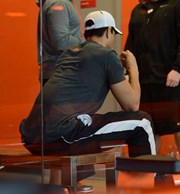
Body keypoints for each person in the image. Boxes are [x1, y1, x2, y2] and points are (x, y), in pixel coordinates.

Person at [20, 10, 156, 183]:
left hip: (32, 137)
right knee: (142, 122)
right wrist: (134, 69)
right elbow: (132, 105)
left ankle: (74, 185)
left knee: (86, 121)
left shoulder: (68, 54)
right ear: (109, 31)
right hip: (60, 136)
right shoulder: (107, 55)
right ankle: (151, 188)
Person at [125, 0, 180, 157]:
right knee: (150, 128)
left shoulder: (176, 5)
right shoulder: (137, 10)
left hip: (168, 80)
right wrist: (127, 71)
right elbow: (130, 44)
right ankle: (152, 173)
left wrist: (178, 69)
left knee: (177, 127)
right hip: (143, 83)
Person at [37, 0, 84, 85]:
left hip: (62, 73)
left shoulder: (61, 1)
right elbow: (61, 40)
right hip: (60, 74)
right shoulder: (57, 2)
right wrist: (87, 44)